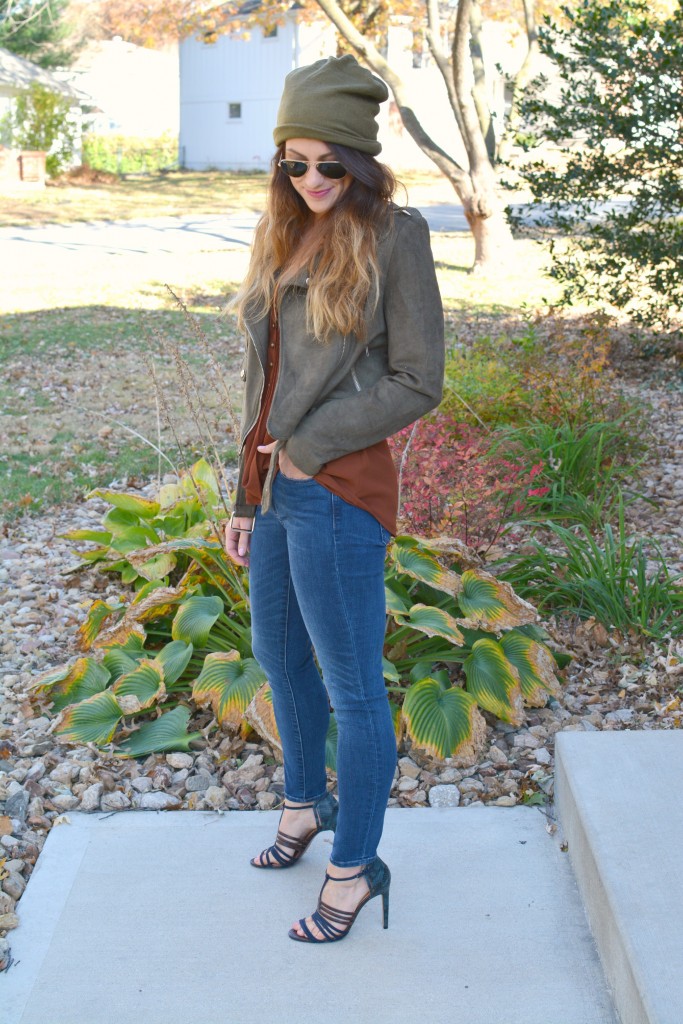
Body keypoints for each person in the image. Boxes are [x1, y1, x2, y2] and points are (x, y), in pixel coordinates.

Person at [225, 54, 444, 944]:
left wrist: (310, 452)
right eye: (294, 162)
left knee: (353, 691)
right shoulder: (280, 232)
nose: (311, 180)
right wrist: (245, 495)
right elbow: (260, 378)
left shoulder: (396, 236)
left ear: (359, 161)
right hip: (276, 493)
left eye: (329, 164)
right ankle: (303, 802)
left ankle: (355, 865)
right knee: (279, 656)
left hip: (337, 491)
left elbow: (419, 379)